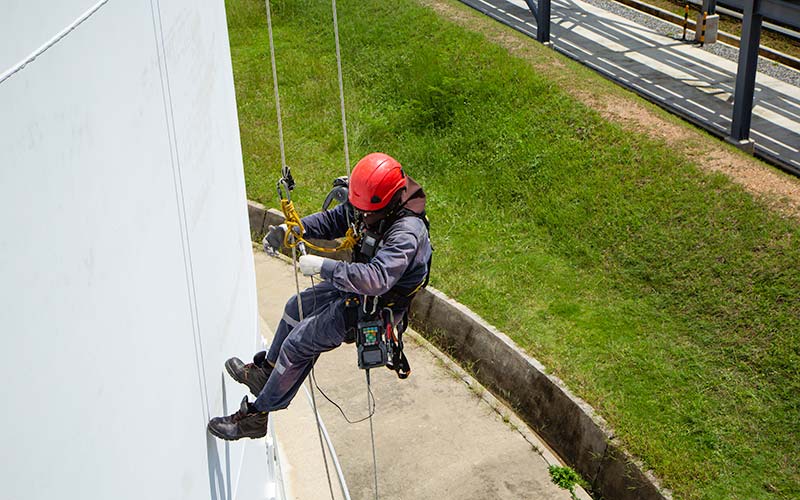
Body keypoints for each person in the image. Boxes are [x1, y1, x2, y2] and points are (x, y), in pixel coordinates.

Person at [207, 152, 432, 440]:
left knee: (299, 343)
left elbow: (377, 279)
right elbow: (335, 219)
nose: (360, 215)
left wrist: (325, 266)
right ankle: (266, 373)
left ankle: (255, 417)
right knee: (295, 307)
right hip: (356, 284)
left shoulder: (406, 233)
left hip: (376, 306)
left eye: (366, 212)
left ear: (386, 203)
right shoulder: (372, 203)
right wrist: (293, 230)